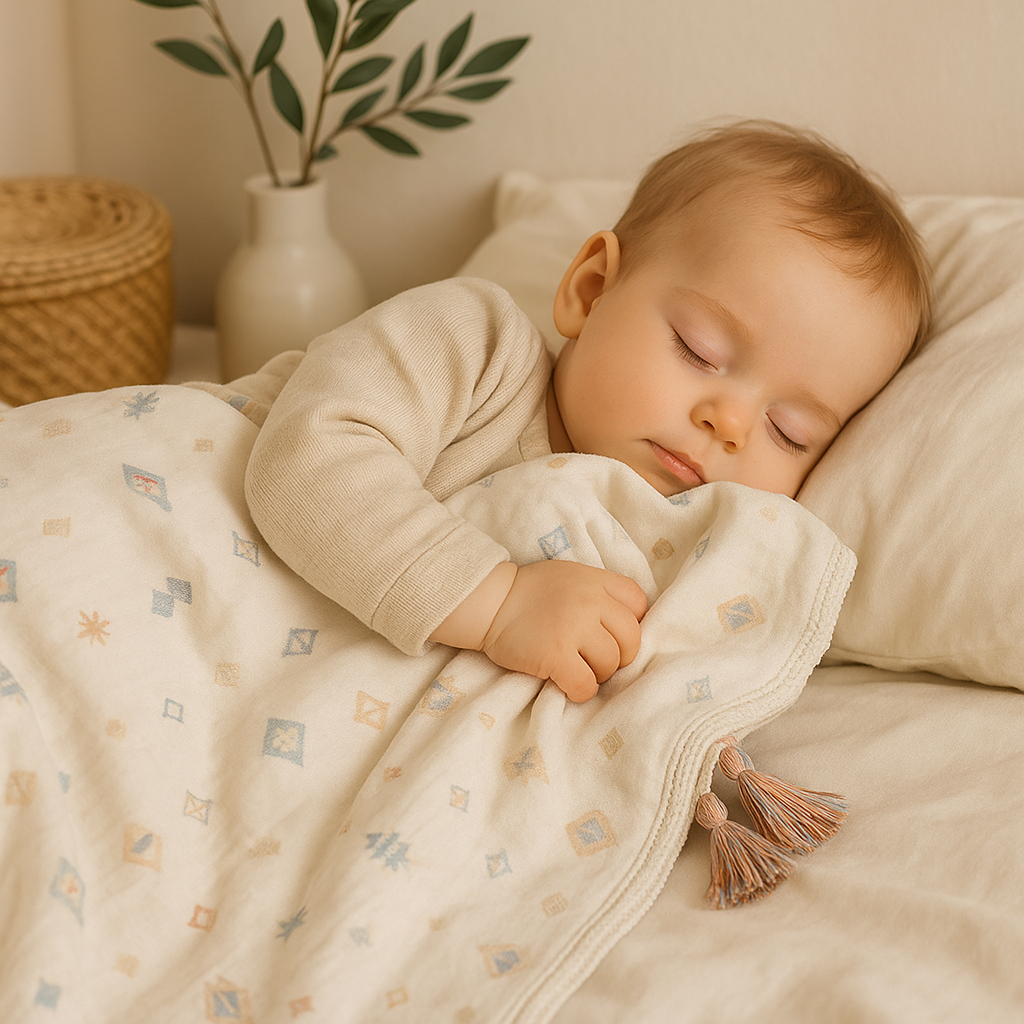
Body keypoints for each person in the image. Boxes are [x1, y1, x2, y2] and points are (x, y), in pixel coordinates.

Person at [190, 120, 931, 704]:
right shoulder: (475, 346)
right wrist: (499, 602)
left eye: (788, 432)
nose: (729, 423)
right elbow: (307, 461)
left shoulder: (677, 559)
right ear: (590, 288)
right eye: (699, 351)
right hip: (172, 508)